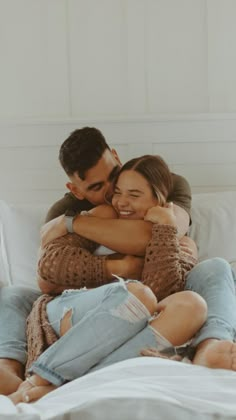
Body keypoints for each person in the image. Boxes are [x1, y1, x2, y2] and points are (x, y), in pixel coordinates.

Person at [0, 127, 192, 395]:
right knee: (14, 295)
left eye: (113, 175)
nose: (115, 193)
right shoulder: (65, 209)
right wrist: (118, 267)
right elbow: (47, 279)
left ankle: (63, 380)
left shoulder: (165, 182)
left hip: (142, 297)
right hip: (89, 300)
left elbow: (156, 235)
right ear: (75, 190)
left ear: (115, 156)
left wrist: (73, 225)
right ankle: (9, 367)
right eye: (97, 187)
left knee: (206, 284)